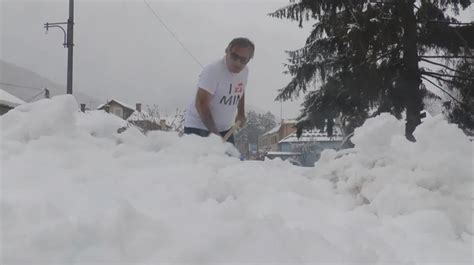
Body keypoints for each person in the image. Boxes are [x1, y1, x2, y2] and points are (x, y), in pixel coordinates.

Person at [184, 37, 254, 144]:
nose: (237, 62)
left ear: (249, 60)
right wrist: (215, 136)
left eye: (243, 60)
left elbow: (240, 89)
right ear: (227, 52)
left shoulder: (244, 71)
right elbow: (201, 104)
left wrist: (240, 112)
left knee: (230, 161)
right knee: (203, 161)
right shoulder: (213, 71)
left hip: (225, 129)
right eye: (234, 56)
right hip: (198, 128)